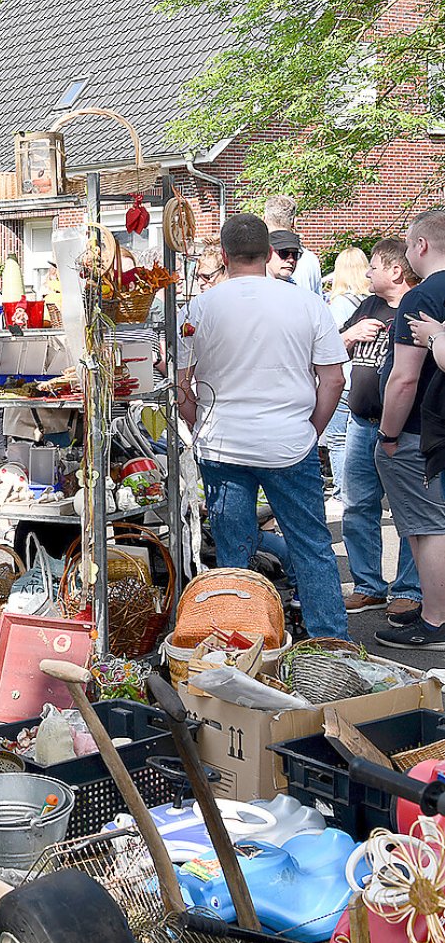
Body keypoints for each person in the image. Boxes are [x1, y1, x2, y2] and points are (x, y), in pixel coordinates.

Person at [176, 212, 348, 639]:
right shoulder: (308, 303)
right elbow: (334, 378)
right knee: (311, 547)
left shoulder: (199, 306)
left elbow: (180, 383)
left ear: (223, 255)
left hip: (223, 445)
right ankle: (330, 643)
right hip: (289, 442)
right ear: (270, 253)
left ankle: (241, 642)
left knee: (233, 554)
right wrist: (312, 430)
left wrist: (199, 421)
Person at [338, 239, 421, 623]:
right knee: (357, 507)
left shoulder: (420, 307)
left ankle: (408, 590)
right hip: (361, 425)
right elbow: (331, 348)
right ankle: (368, 587)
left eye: (374, 266)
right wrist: (350, 335)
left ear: (395, 271)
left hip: (406, 430)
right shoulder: (367, 306)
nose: (368, 273)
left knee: (409, 513)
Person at [375, 209, 445, 646]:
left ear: (420, 245)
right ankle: (435, 606)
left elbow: (404, 379)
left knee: (427, 526)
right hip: (437, 429)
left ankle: (436, 621)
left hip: (420, 430)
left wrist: (388, 435)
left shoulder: (422, 298)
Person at [325, 247, 372, 495]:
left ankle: (343, 491)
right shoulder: (371, 302)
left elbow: (329, 344)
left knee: (338, 439)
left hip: (342, 379)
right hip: (364, 378)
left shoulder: (339, 303)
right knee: (359, 441)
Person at [263, 194, 324, 295]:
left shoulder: (253, 258)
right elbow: (317, 305)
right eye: (283, 253)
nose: (290, 259)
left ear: (264, 219)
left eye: (295, 255)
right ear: (294, 222)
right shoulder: (310, 259)